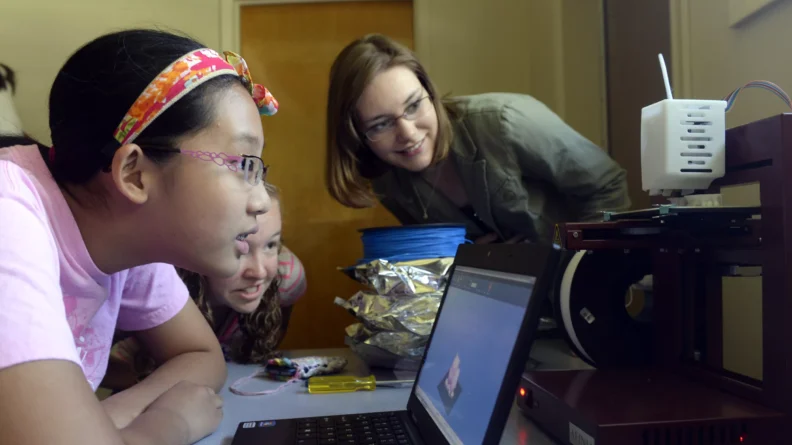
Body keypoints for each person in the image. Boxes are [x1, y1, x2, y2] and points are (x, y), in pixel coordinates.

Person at [0, 28, 279, 445]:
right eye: (243, 165)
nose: (261, 201)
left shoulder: (122, 230)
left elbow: (201, 356)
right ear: (134, 173)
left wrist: (104, 422)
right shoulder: (10, 217)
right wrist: (168, 424)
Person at [325, 34, 630, 244]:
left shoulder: (504, 122)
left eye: (414, 105)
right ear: (357, 136)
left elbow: (607, 184)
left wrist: (570, 262)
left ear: (430, 93)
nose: (408, 133)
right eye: (381, 124)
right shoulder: (388, 182)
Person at [104, 185, 307, 390]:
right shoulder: (143, 285)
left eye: (271, 245)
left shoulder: (286, 276)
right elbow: (87, 365)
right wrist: (151, 381)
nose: (260, 272)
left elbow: (269, 338)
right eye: (240, 248)